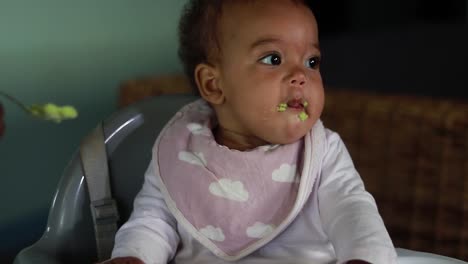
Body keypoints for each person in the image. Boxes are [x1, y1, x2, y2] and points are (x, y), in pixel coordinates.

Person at [103, 0, 397, 263]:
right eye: (273, 59)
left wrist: (363, 257)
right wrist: (133, 256)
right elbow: (153, 222)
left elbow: (351, 210)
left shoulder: (322, 151)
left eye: (312, 61)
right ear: (214, 85)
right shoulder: (182, 149)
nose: (300, 76)